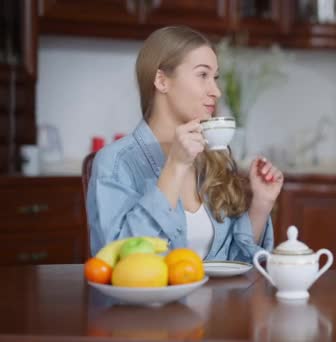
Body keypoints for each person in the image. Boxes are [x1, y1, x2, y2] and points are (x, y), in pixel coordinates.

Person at [87, 26, 283, 261]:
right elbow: (117, 262)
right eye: (203, 75)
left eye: (215, 77)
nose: (216, 91)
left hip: (219, 299)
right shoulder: (116, 162)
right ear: (161, 80)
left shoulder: (215, 158)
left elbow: (234, 263)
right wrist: (175, 168)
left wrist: (261, 204)